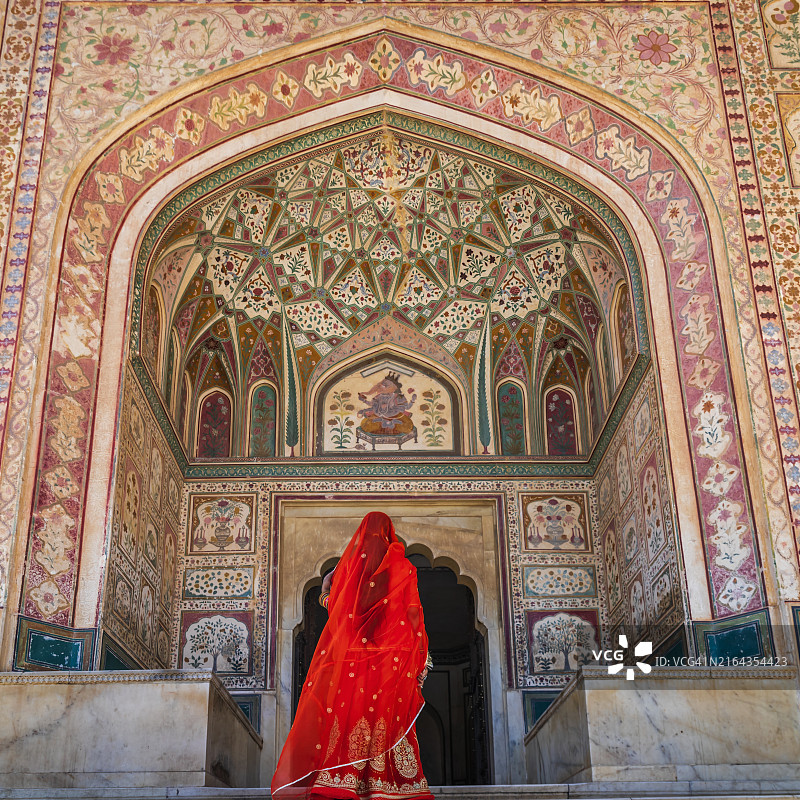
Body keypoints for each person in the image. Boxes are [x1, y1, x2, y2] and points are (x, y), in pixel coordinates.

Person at [271, 511, 434, 799]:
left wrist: (324, 591)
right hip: (390, 664)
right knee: (386, 719)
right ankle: (387, 786)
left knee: (351, 718)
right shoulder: (403, 568)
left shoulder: (349, 570)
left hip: (353, 662)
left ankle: (343, 781)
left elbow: (338, 613)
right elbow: (412, 618)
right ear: (389, 535)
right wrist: (421, 658)